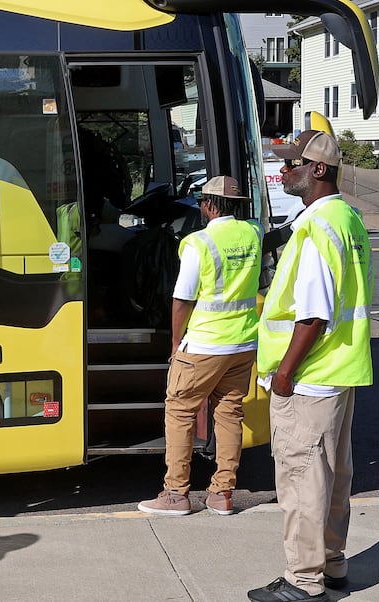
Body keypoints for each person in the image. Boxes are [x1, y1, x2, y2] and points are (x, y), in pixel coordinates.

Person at [246, 130, 373, 602]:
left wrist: (283, 375)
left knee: (302, 479)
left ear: (318, 169)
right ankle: (333, 564)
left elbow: (313, 314)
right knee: (335, 474)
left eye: (292, 164)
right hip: (340, 370)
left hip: (308, 378)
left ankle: (303, 581)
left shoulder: (318, 227)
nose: (283, 171)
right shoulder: (349, 220)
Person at [138, 175, 262, 517]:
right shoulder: (253, 233)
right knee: (229, 413)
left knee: (179, 412)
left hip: (205, 344)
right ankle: (222, 493)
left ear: (207, 205)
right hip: (242, 343)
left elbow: (182, 299)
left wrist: (176, 342)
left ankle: (176, 493)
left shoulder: (199, 243)